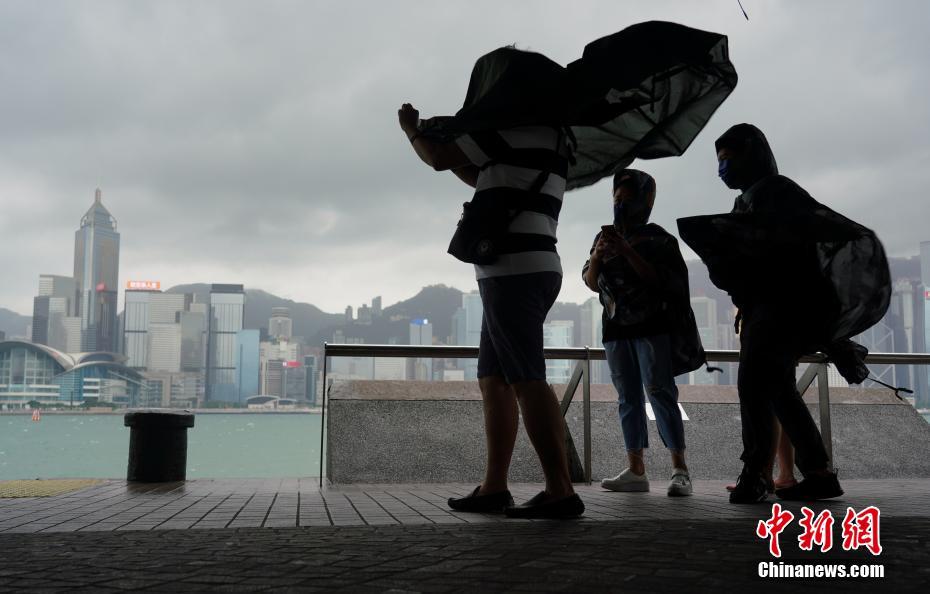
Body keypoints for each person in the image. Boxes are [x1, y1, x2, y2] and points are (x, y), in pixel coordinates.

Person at [398, 100, 584, 519]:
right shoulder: (555, 141)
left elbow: (439, 158)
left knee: (527, 379)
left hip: (513, 271)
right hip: (530, 266)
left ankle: (560, 489)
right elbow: (481, 177)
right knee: (494, 377)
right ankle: (495, 487)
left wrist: (411, 130)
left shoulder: (512, 129)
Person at [710, 123, 843, 503]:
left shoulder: (777, 193)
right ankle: (818, 473)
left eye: (728, 159)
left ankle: (757, 475)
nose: (722, 168)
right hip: (767, 310)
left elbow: (780, 255)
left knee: (753, 388)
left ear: (751, 155)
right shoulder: (752, 198)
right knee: (779, 391)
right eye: (719, 161)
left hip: (778, 311)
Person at [582, 169, 699, 497]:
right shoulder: (601, 239)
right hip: (615, 329)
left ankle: (680, 469)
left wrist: (628, 252)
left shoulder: (660, 239)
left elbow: (661, 280)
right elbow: (591, 283)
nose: (620, 206)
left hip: (652, 327)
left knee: (661, 392)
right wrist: (597, 256)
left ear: (646, 202)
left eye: (628, 200)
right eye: (617, 200)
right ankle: (636, 470)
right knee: (627, 398)